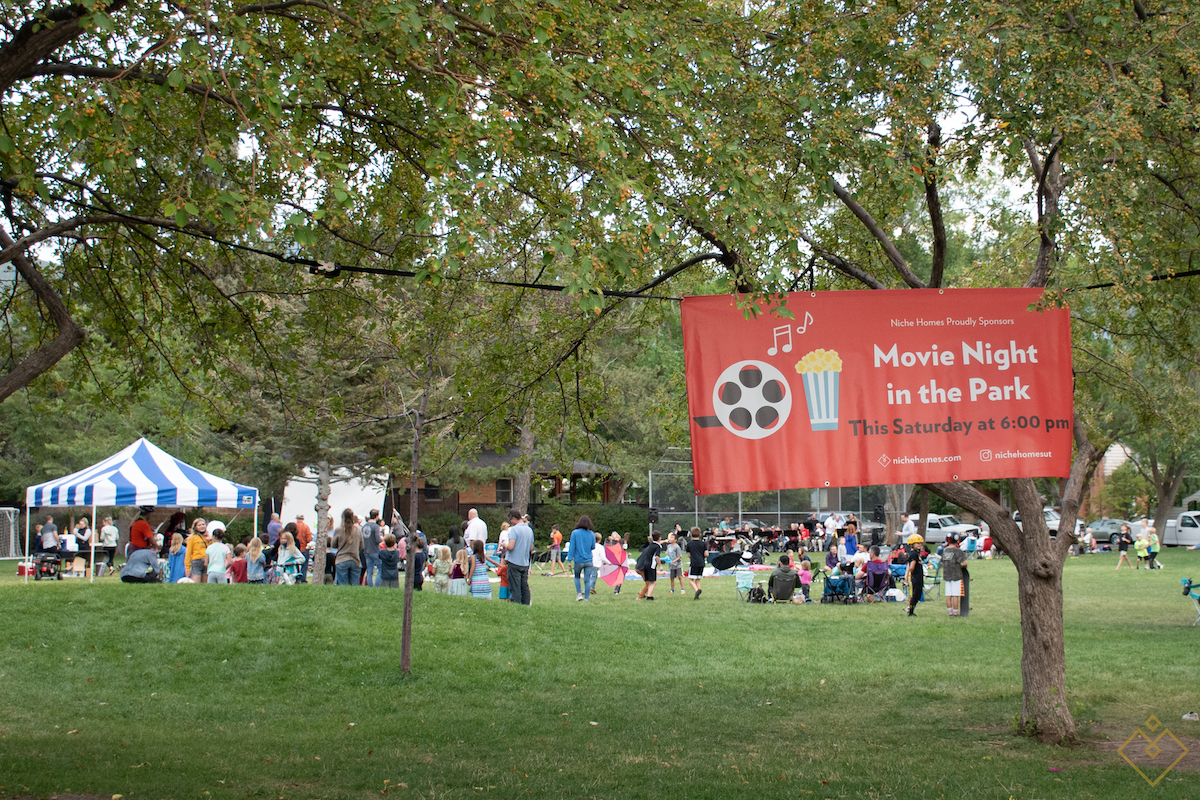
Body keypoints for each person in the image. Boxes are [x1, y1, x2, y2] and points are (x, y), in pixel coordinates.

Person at [503, 508, 534, 605]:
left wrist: (505, 546)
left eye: (510, 520)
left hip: (514, 562)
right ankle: (526, 605)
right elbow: (531, 547)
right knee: (524, 587)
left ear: (513, 518)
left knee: (515, 588)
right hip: (525, 562)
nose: (510, 523)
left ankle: (516, 607)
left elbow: (511, 546)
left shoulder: (514, 530)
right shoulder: (529, 529)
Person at [568, 515, 598, 601]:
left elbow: (572, 547)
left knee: (577, 577)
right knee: (587, 580)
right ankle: (586, 598)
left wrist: (569, 559)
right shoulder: (592, 534)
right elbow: (593, 547)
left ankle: (579, 594)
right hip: (589, 560)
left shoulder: (575, 533)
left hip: (578, 559)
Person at [331, 508, 363, 586]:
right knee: (355, 585)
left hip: (342, 559)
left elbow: (333, 545)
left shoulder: (339, 530)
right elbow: (361, 546)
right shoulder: (357, 530)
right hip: (355, 559)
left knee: (343, 586)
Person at [941, 534, 968, 616]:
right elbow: (965, 563)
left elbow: (942, 562)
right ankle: (956, 613)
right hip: (956, 576)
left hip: (946, 576)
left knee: (948, 595)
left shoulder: (945, 551)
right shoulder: (958, 551)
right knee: (955, 595)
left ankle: (950, 612)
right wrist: (961, 566)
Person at [636, 530, 662, 600]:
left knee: (649, 582)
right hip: (649, 566)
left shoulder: (650, 545)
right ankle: (644, 596)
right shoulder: (657, 547)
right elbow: (657, 556)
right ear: (659, 538)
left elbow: (656, 543)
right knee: (651, 582)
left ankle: (646, 595)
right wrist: (660, 566)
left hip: (644, 565)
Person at [361, 509, 384, 587]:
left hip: (366, 550)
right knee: (380, 569)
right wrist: (382, 539)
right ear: (377, 516)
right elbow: (378, 540)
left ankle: (370, 586)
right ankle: (377, 586)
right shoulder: (376, 526)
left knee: (370, 571)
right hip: (374, 550)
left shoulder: (364, 526)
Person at [686, 526, 707, 600]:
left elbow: (689, 555)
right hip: (701, 563)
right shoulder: (703, 543)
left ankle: (697, 590)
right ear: (700, 535)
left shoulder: (689, 544)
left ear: (691, 535)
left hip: (694, 563)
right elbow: (706, 554)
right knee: (698, 579)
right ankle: (698, 590)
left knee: (690, 580)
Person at [185, 518, 209, 583]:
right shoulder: (193, 538)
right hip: (197, 561)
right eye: (199, 525)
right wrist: (187, 568)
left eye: (203, 524)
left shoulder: (208, 537)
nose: (202, 526)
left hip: (207, 561)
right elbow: (188, 553)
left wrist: (210, 539)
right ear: (195, 527)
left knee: (205, 583)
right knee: (196, 583)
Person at [905, 544, 926, 617]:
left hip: (918, 576)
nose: (919, 545)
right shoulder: (914, 554)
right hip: (916, 577)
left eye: (920, 543)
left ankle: (910, 610)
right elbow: (911, 566)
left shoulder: (916, 553)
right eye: (917, 544)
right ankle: (910, 611)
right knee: (915, 595)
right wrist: (911, 574)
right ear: (912, 544)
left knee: (918, 594)